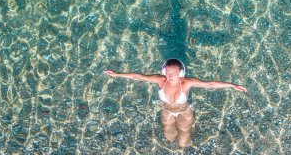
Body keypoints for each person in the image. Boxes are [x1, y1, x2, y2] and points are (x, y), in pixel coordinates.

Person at [104, 58, 247, 148]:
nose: (170, 76)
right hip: (166, 110)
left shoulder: (187, 83)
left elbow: (210, 84)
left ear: (181, 73)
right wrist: (117, 74)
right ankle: (171, 153)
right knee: (169, 136)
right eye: (168, 72)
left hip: (184, 112)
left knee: (183, 142)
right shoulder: (161, 80)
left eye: (173, 73)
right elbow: (138, 77)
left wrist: (232, 85)